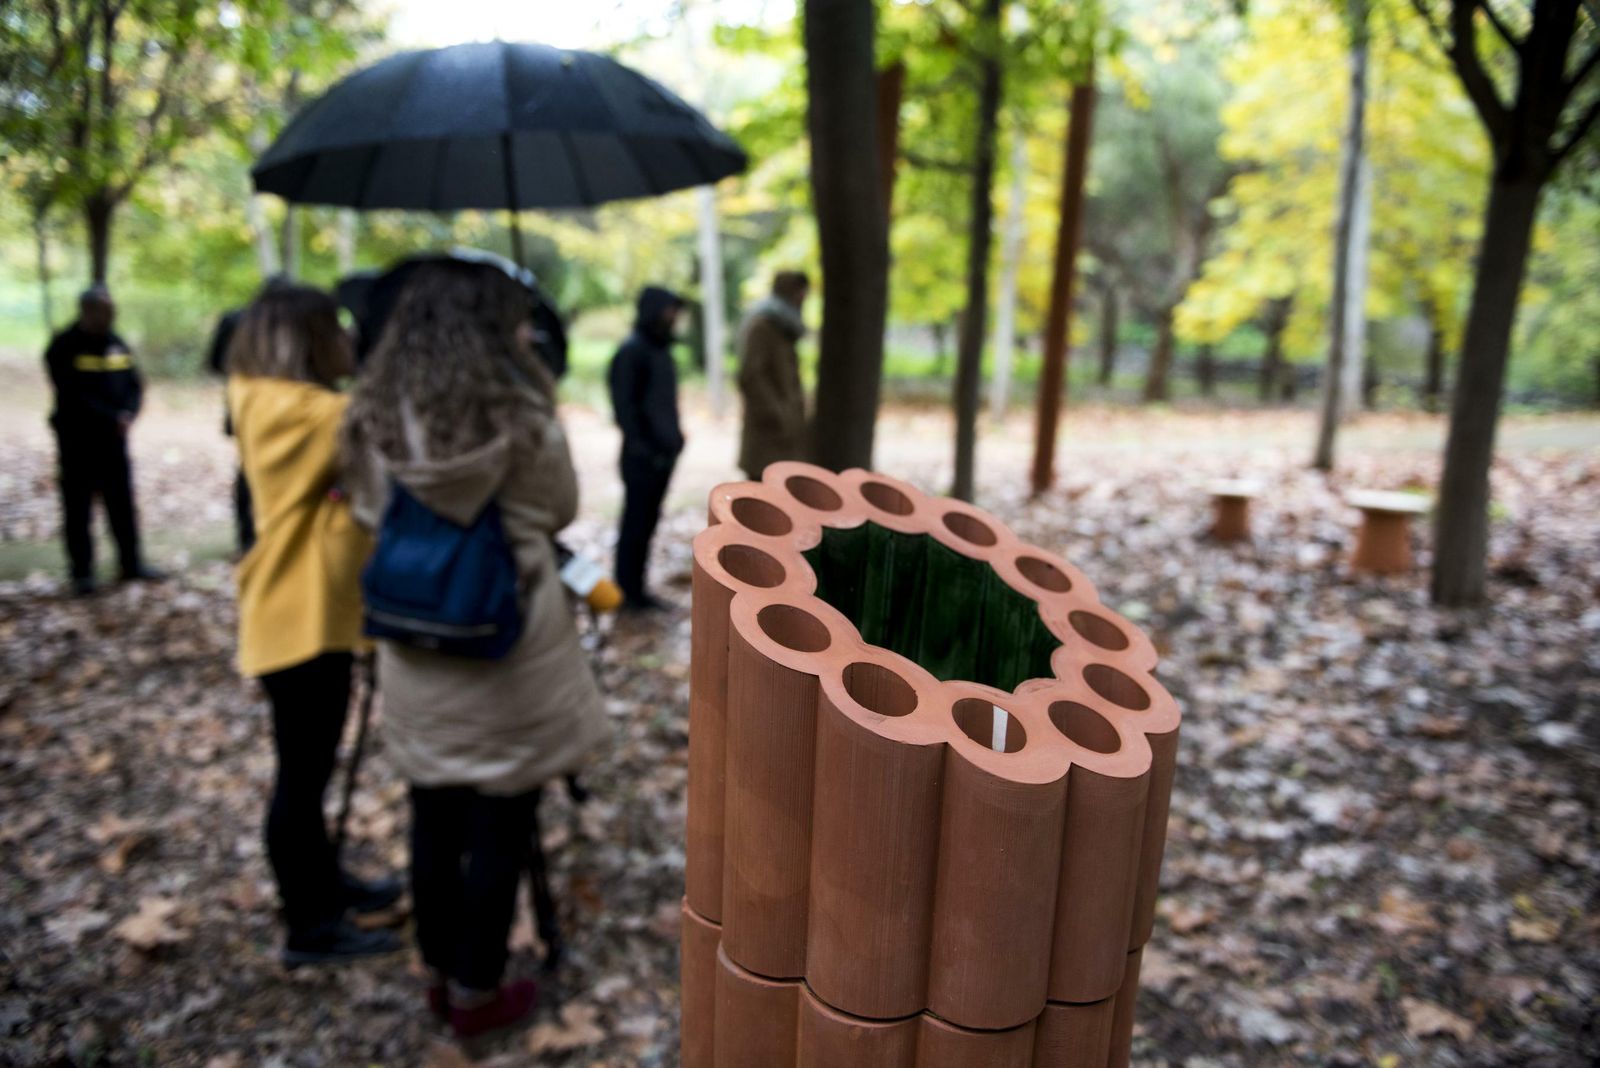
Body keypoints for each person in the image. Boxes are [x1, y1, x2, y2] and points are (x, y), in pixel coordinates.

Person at [344, 260, 607, 1039]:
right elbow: (559, 509)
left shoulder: (371, 420)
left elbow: (366, 512)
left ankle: (437, 974)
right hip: (510, 648)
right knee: (501, 822)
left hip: (417, 645)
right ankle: (477, 990)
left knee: (431, 816)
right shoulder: (524, 421)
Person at [225, 285, 403, 967]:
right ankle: (311, 924)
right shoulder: (300, 410)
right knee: (300, 781)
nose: (348, 341)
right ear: (307, 339)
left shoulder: (272, 400)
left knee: (310, 772)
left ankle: (326, 884)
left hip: (309, 611)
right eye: (337, 329)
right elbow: (379, 417)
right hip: (297, 617)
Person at [43, 286, 160, 595]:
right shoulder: (64, 345)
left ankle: (131, 563)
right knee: (78, 507)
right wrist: (111, 417)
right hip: (78, 441)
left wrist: (129, 413)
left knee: (121, 503)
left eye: (111, 310)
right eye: (103, 310)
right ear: (87, 310)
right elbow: (70, 392)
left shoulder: (116, 343)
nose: (108, 316)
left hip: (114, 442)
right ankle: (82, 572)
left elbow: (135, 384)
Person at [607, 286, 686, 611]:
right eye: (669, 310)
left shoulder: (659, 350)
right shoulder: (632, 351)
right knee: (635, 526)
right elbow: (624, 408)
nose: (673, 317)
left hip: (662, 457)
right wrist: (644, 449)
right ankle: (627, 592)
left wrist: (674, 442)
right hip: (642, 460)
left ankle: (637, 590)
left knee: (647, 524)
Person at [208, 275, 290, 555]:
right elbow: (217, 362)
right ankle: (248, 538)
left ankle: (262, 536)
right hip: (251, 406)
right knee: (250, 470)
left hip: (280, 406)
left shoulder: (286, 324)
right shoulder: (238, 320)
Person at [736, 271, 811, 480]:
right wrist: (778, 414)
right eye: (799, 292)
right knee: (764, 492)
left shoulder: (784, 327)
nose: (803, 298)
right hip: (767, 438)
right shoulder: (762, 326)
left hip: (786, 437)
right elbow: (750, 376)